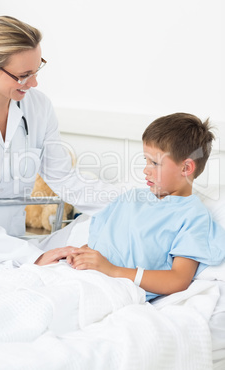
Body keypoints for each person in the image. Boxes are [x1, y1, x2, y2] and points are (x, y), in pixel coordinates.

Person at [0, 15, 119, 267]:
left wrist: (129, 203)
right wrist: (33, 257)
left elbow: (64, 178)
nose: (34, 83)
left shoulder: (38, 107)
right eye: (23, 75)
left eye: (37, 69)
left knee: (97, 226)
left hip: (21, 243)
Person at [67, 113, 225, 301]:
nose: (145, 169)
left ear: (186, 168)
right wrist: (83, 254)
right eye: (146, 160)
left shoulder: (193, 217)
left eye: (155, 163)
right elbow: (105, 242)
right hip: (81, 276)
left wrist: (112, 270)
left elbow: (178, 279)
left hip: (114, 290)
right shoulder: (131, 199)